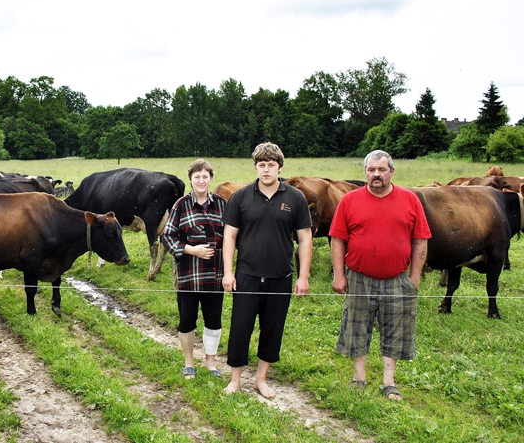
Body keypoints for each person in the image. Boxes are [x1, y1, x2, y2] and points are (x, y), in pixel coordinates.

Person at [329, 149, 431, 401]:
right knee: (356, 326)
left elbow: (420, 240)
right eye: (371, 170)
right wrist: (339, 276)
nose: (376, 174)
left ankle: (389, 381)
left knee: (395, 329)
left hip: (397, 278)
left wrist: (414, 277)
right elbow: (338, 240)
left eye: (381, 169)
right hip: (359, 277)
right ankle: (359, 377)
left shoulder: (410, 199)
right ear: (365, 172)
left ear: (391, 172)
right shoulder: (350, 200)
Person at [222, 143, 313, 396]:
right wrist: (228, 273)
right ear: (255, 167)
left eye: (271, 165)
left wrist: (303, 276)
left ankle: (261, 380)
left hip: (280, 276)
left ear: (279, 167)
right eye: (261, 165)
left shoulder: (295, 197)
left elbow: (305, 239)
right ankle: (235, 380)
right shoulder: (241, 197)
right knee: (240, 328)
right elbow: (229, 237)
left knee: (273, 329)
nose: (266, 170)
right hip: (247, 276)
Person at [163, 159, 227, 380]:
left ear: (211, 179)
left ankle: (210, 362)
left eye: (205, 176)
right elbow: (167, 237)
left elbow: (230, 237)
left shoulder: (221, 204)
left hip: (215, 276)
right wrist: (191, 249)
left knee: (213, 321)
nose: (201, 180)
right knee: (187, 321)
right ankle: (189, 362)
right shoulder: (180, 205)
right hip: (188, 276)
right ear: (190, 179)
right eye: (197, 177)